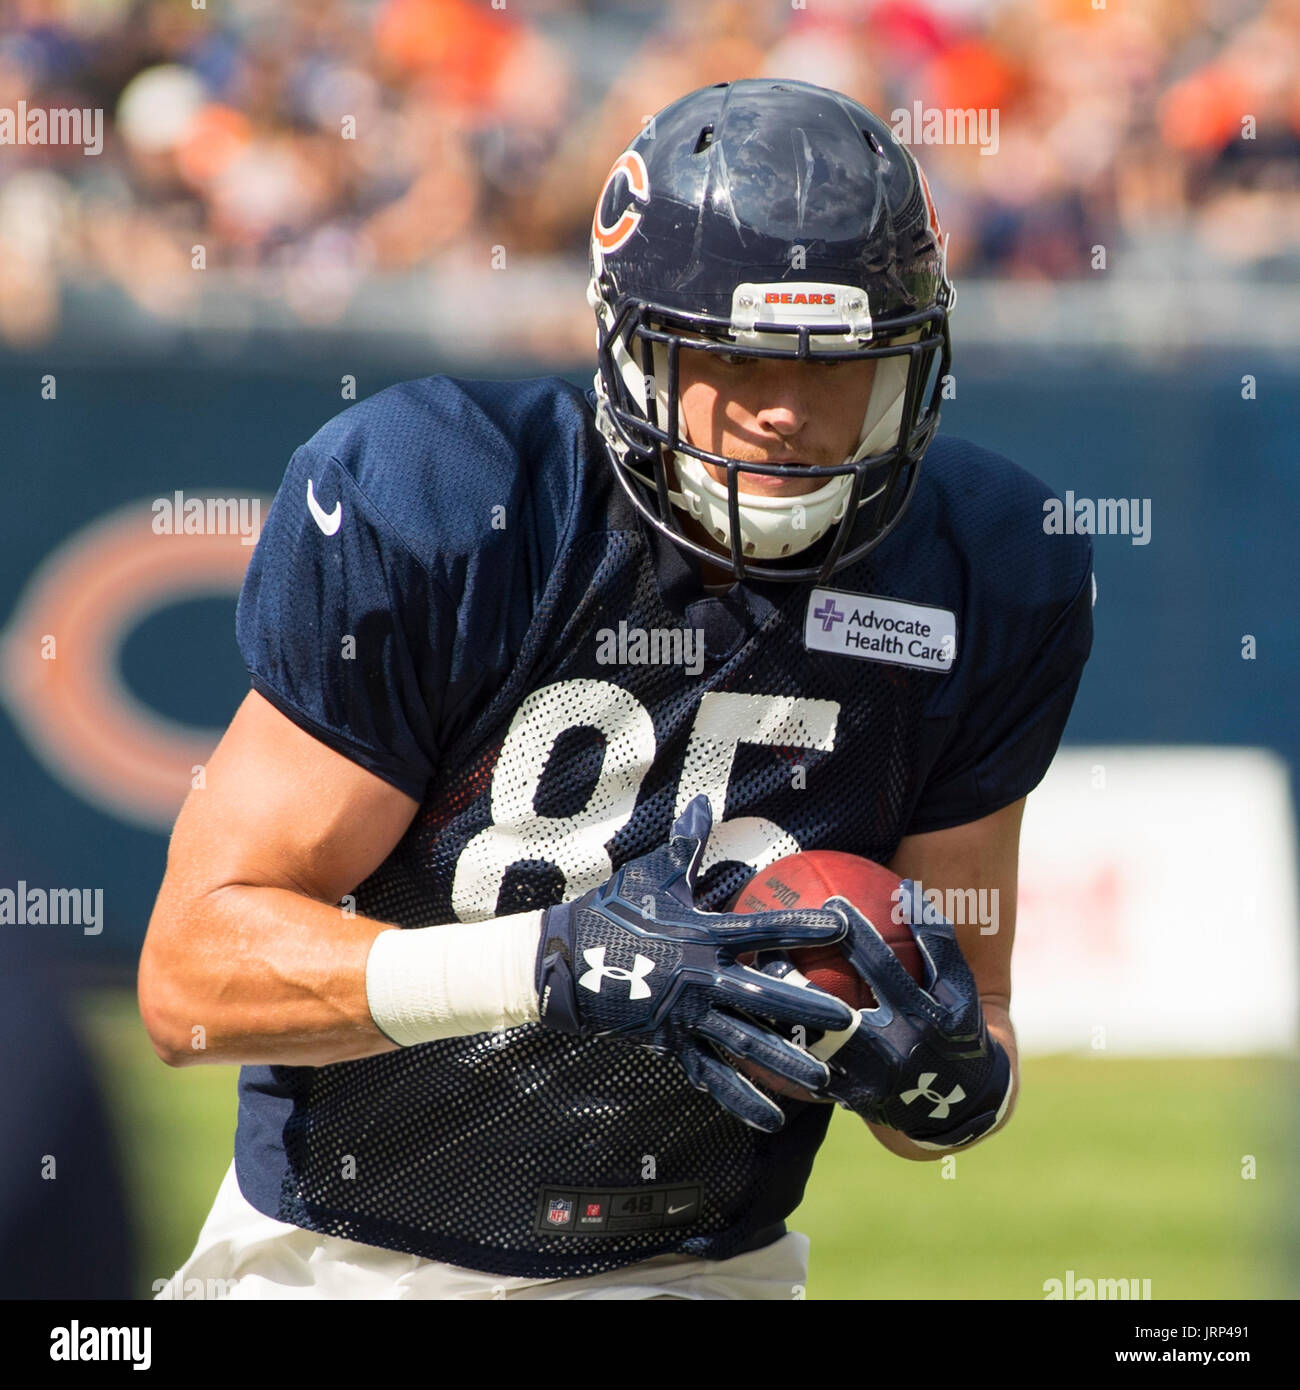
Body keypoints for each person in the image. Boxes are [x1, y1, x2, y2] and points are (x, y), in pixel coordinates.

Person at [141, 78, 1093, 1300]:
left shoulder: (984, 565)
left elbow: (969, 1027)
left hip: (702, 1270)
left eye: (841, 363)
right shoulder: (454, 500)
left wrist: (955, 1084)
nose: (786, 410)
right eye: (734, 354)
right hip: (340, 1265)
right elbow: (188, 979)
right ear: (633, 346)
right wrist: (550, 963)